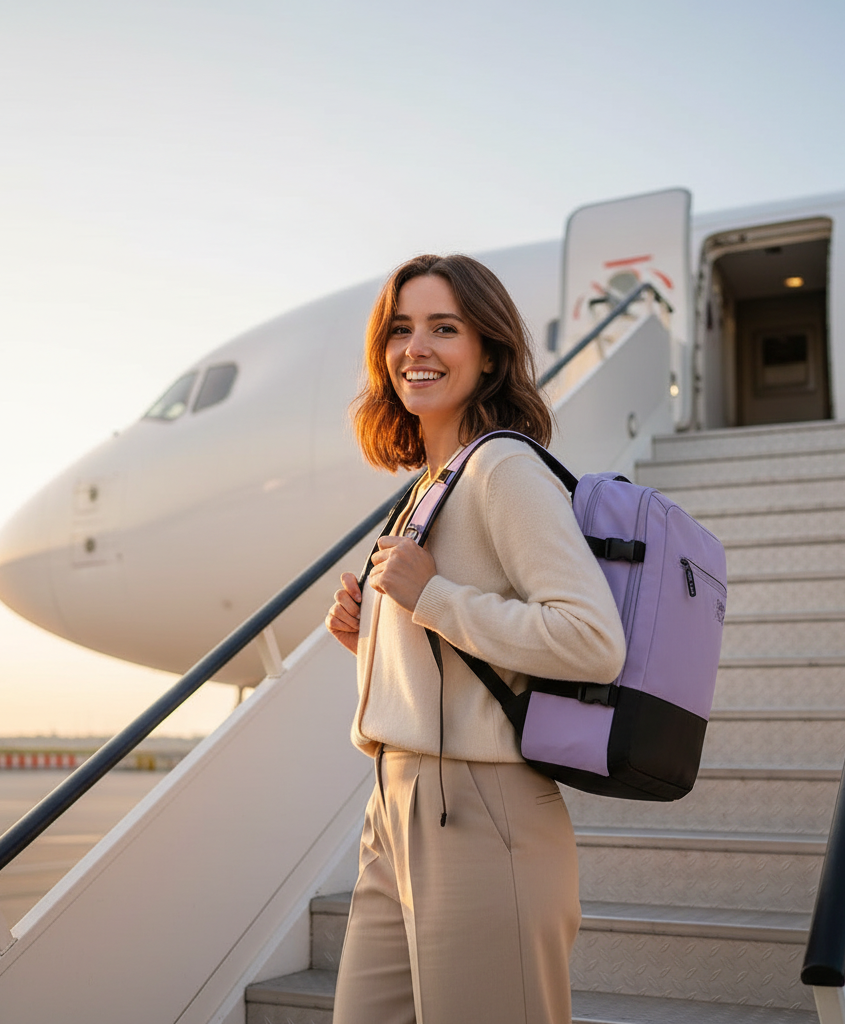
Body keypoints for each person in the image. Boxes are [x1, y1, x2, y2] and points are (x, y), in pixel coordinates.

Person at [324, 254, 626, 1024]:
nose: (414, 348)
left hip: (484, 807)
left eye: (443, 328)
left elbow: (592, 640)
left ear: (487, 352)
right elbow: (459, 646)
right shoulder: (429, 485)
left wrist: (431, 596)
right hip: (396, 803)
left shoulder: (503, 468)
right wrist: (375, 641)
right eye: (400, 329)